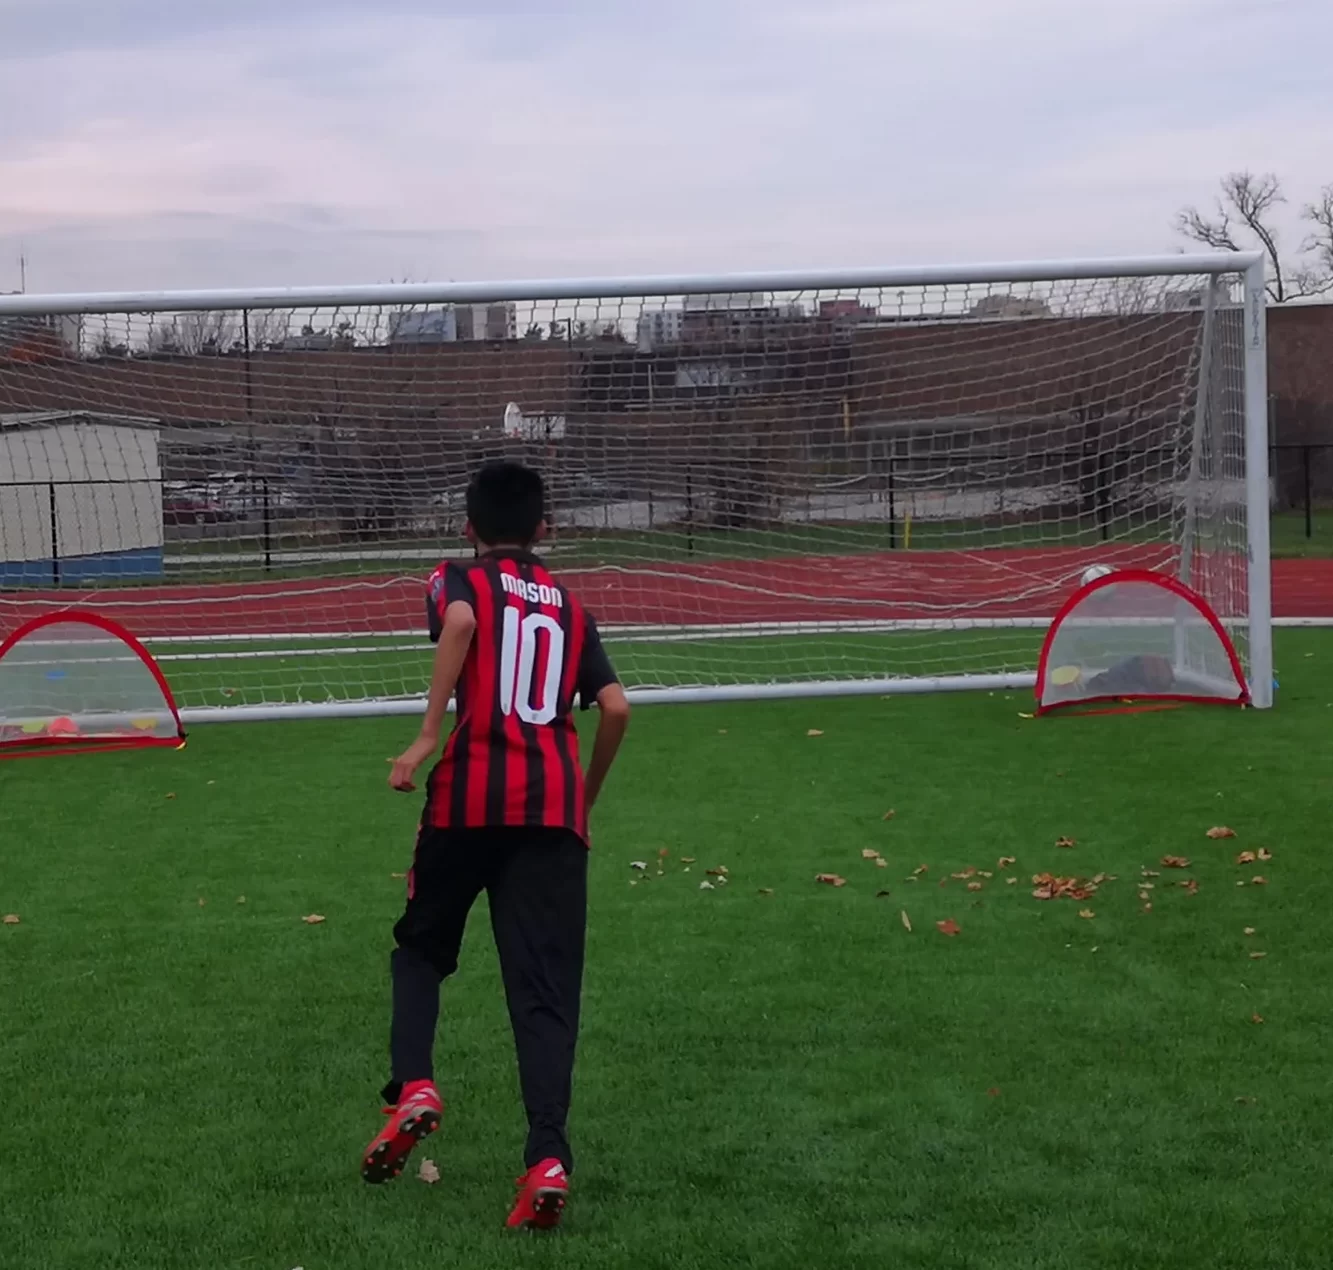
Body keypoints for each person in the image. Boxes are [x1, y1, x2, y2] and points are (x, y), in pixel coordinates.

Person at [361, 460, 630, 1232]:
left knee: (420, 952)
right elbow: (615, 708)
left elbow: (461, 624)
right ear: (545, 529)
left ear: (466, 528)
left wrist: (423, 735)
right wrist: (584, 797)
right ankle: (546, 1159)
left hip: (468, 801)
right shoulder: (573, 609)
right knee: (544, 994)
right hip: (552, 813)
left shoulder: (455, 580)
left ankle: (414, 1087)